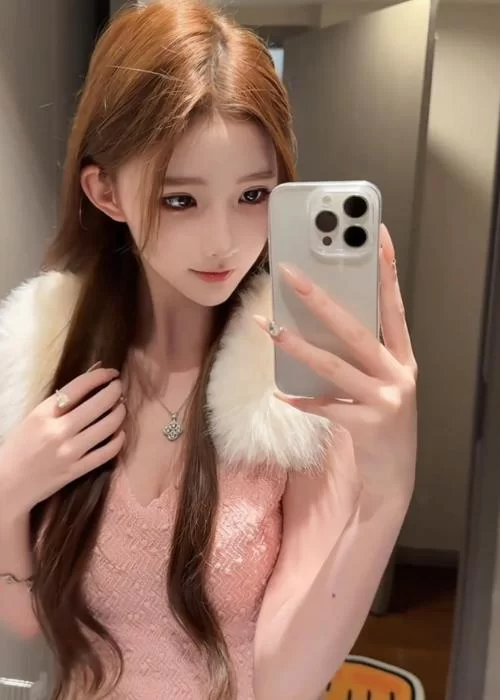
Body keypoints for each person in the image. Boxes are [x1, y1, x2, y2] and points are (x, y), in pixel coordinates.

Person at [0, 1, 418, 699]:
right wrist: (7, 490)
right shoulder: (47, 351)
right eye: (180, 200)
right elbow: (27, 619)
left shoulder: (293, 386)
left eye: (253, 195)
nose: (224, 241)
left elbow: (285, 682)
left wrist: (386, 495)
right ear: (105, 191)